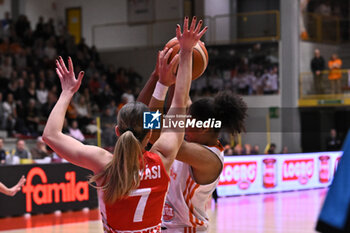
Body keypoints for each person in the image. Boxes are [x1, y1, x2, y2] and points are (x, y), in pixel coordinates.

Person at [42, 17, 207, 233]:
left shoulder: (104, 164)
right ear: (150, 135)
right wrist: (185, 54)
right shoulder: (163, 158)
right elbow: (179, 103)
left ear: (117, 131)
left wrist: (66, 93)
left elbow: (50, 136)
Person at [137, 32, 247, 233]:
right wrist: (159, 75)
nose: (183, 122)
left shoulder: (208, 158)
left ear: (204, 127)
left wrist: (162, 84)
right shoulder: (192, 139)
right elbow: (176, 98)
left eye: (188, 119)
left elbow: (151, 132)